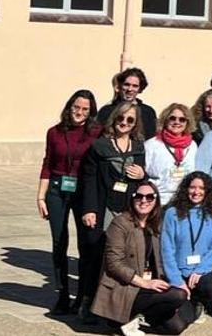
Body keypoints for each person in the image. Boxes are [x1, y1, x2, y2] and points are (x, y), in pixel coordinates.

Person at [91, 181, 193, 335]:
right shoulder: (120, 223)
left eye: (149, 197)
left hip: (151, 283)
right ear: (132, 199)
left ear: (156, 201)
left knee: (177, 327)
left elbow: (168, 256)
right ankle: (123, 318)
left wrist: (177, 281)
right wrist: (145, 283)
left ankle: (138, 316)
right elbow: (114, 264)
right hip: (126, 286)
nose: (144, 200)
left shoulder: (157, 224)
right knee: (177, 295)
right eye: (139, 196)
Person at [80, 101, 148, 317]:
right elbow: (88, 179)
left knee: (125, 256)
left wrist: (142, 175)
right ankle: (87, 301)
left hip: (128, 209)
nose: (124, 123)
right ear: (114, 119)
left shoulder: (138, 148)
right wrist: (89, 209)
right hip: (103, 207)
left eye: (130, 120)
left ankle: (121, 304)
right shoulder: (99, 147)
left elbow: (141, 181)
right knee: (95, 253)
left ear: (135, 124)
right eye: (121, 118)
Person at [37, 89, 101, 314]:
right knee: (59, 242)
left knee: (86, 244)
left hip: (83, 191)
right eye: (76, 107)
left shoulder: (96, 132)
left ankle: (83, 297)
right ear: (69, 106)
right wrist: (40, 196)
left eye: (85, 109)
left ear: (91, 111)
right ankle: (62, 294)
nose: (80, 112)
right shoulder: (54, 132)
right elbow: (47, 163)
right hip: (56, 190)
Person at [161, 172, 212, 323]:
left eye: (201, 188)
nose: (196, 192)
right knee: (186, 319)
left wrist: (200, 270)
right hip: (178, 272)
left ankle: (198, 301)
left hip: (200, 273)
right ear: (185, 189)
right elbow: (167, 249)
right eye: (192, 187)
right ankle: (185, 299)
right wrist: (177, 280)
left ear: (207, 191)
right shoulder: (172, 213)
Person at [145, 103, 198, 206]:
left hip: (184, 201)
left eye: (182, 119)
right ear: (165, 120)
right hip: (157, 202)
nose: (177, 122)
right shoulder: (151, 145)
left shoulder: (192, 145)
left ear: (187, 123)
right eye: (172, 118)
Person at [98, 67, 158, 140]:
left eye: (135, 86)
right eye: (126, 84)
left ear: (140, 89)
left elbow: (150, 139)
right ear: (120, 86)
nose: (130, 89)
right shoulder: (106, 111)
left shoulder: (148, 112)